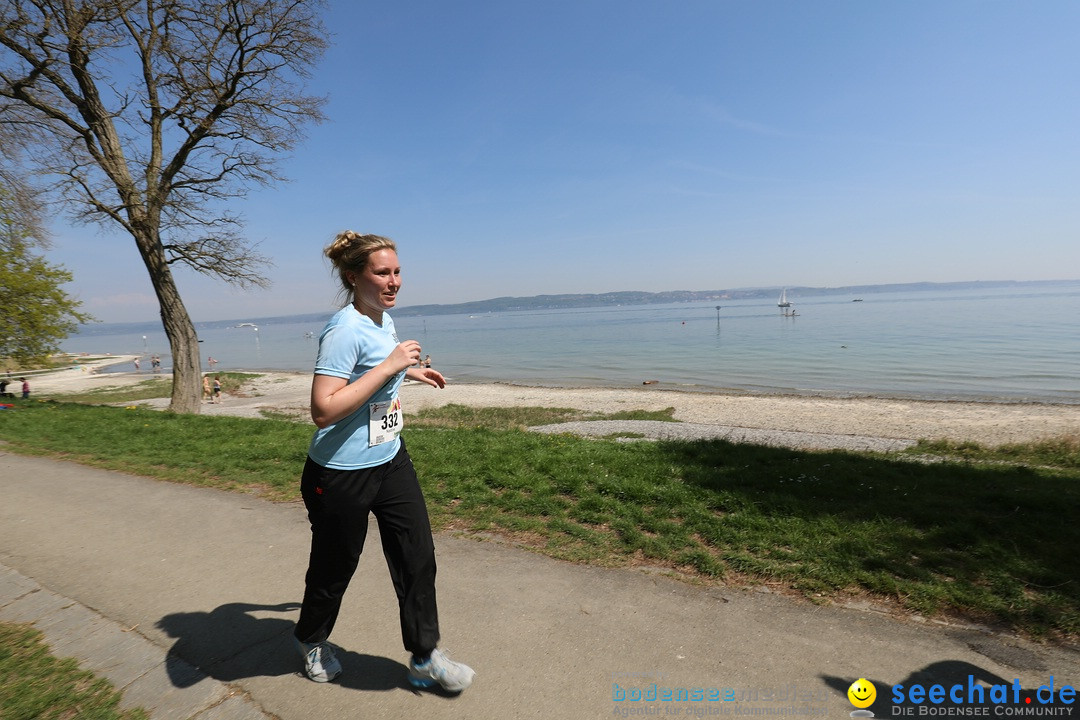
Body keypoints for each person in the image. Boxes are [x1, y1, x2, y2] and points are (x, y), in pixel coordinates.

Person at [292, 231, 474, 692]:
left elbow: (373, 370)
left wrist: (411, 370)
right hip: (339, 474)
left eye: (397, 272)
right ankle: (312, 639)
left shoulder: (381, 320)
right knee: (336, 566)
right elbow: (323, 409)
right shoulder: (343, 330)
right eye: (382, 273)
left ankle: (425, 656)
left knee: (417, 557)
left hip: (390, 459)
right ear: (354, 277)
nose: (393, 282)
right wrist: (391, 366)